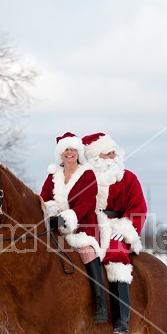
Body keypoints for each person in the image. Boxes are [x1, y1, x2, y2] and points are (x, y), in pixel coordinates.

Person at [82, 132, 147, 333]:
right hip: (88, 225)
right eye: (106, 154)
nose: (111, 157)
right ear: (94, 158)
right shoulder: (84, 178)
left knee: (115, 254)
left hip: (116, 226)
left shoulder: (128, 178)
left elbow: (139, 207)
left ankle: (121, 318)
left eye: (112, 153)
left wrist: (124, 228)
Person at [40, 132, 107, 323]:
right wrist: (51, 212)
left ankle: (100, 303)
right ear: (60, 154)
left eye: (72, 149)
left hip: (83, 225)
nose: (69, 153)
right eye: (65, 150)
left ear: (78, 152)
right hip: (55, 225)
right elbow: (44, 198)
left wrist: (66, 219)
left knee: (86, 251)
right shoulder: (53, 175)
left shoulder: (87, 174)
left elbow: (85, 203)